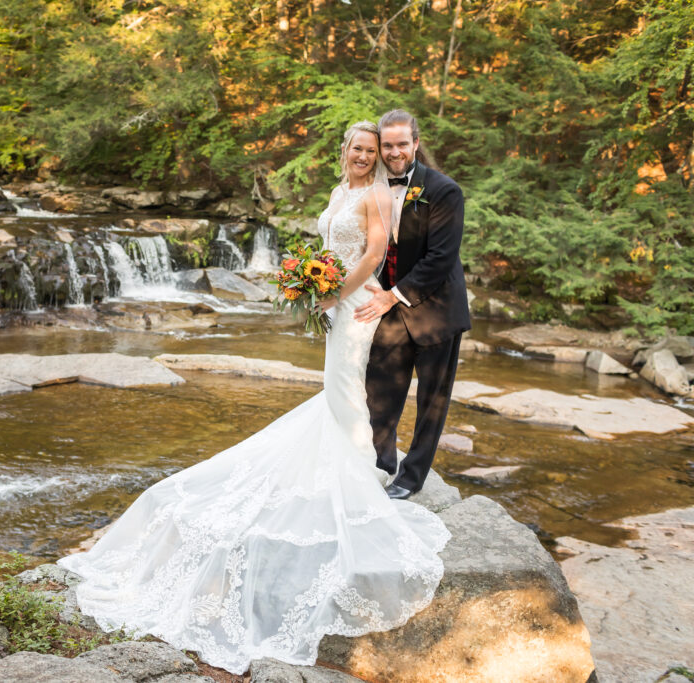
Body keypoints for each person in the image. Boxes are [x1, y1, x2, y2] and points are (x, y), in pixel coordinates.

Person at [57, 120, 450, 675]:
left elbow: (377, 253)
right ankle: (352, 465)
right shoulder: (341, 190)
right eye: (358, 149)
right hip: (337, 299)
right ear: (347, 152)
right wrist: (313, 280)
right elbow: (332, 246)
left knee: (344, 387)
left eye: (372, 150)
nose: (365, 156)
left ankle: (357, 477)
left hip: (357, 304)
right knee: (336, 389)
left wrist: (333, 294)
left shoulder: (381, 194)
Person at [353, 110, 471, 500]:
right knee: (379, 391)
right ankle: (381, 464)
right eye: (387, 145)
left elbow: (440, 257)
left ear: (416, 144)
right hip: (390, 309)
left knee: (431, 401)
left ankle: (412, 477)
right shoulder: (374, 186)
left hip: (437, 310)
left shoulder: (443, 190)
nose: (394, 151)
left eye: (402, 144)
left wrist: (392, 294)